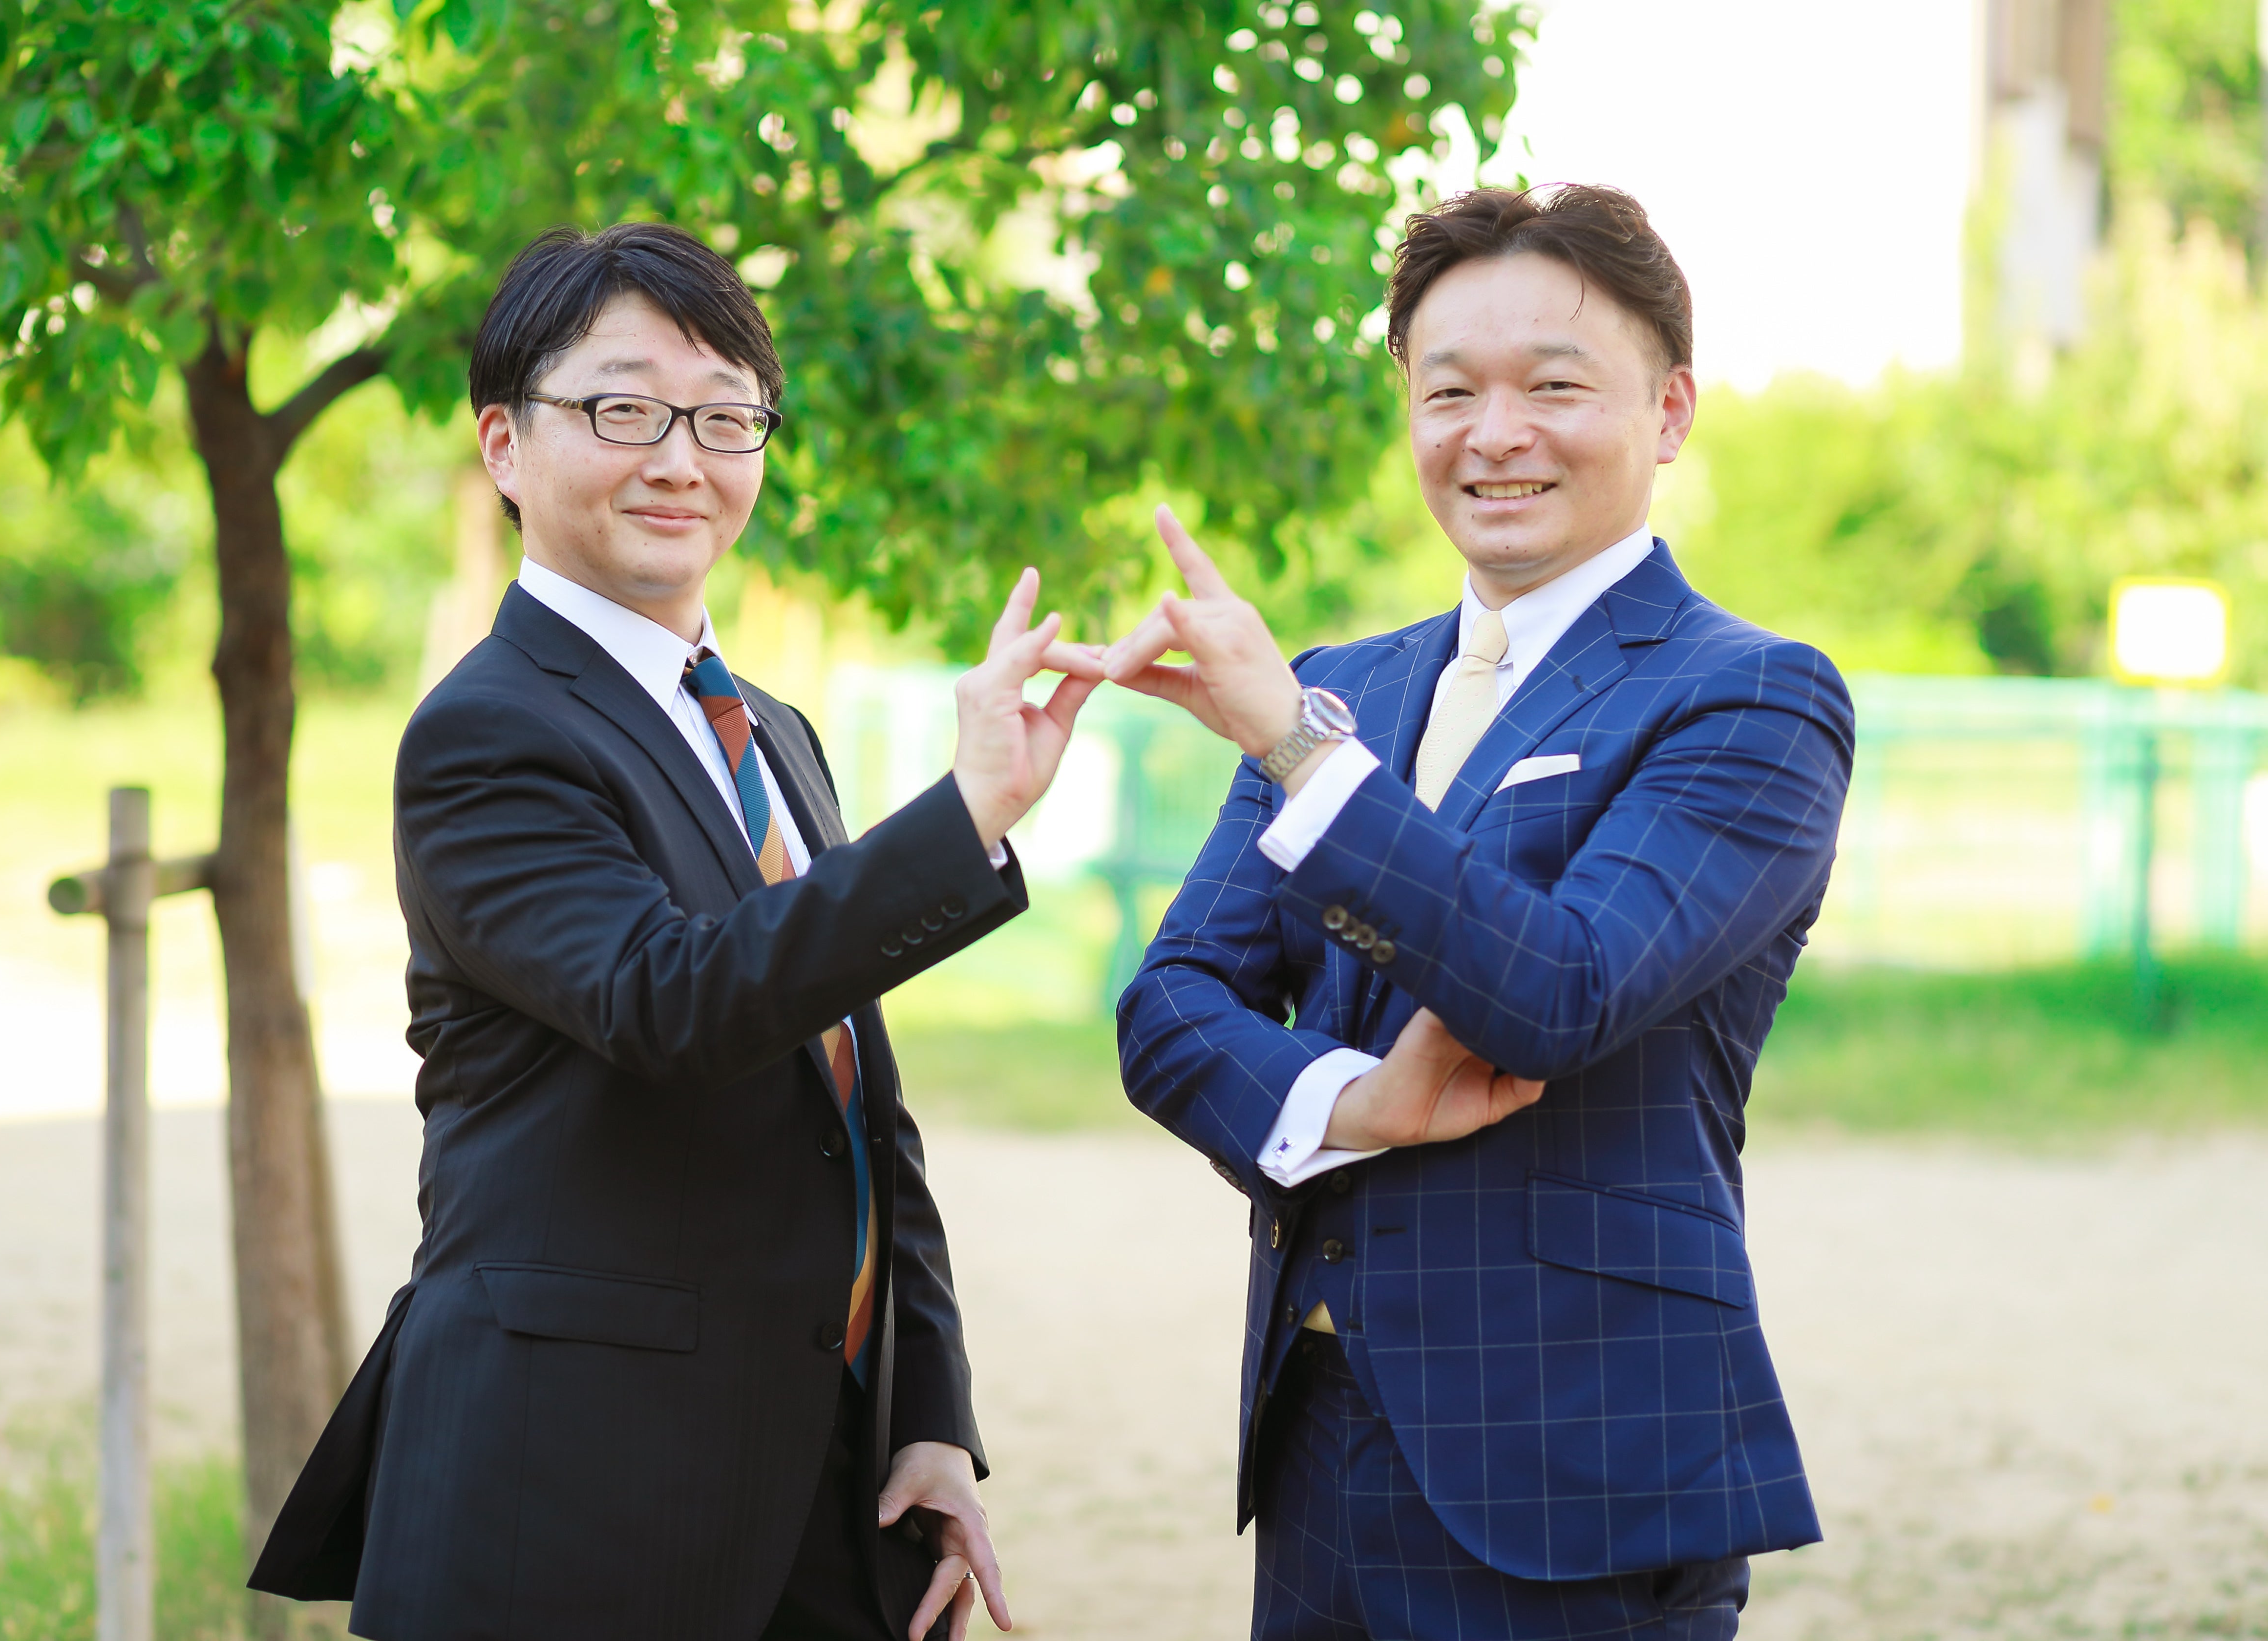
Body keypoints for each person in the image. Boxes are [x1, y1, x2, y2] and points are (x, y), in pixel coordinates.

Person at [248, 221, 1101, 1641]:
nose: (680, 459)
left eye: (725, 416)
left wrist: (928, 1417)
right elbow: (672, 1002)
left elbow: (855, 1105)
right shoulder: (486, 733)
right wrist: (962, 819)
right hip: (572, 1493)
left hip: (823, 1486)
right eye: (625, 410)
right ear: (505, 444)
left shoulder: (773, 730)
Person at [1106, 185, 1852, 1640]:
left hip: (1577, 1463)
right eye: (1449, 392)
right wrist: (1353, 1104)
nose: (1495, 433)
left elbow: (1561, 989)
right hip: (1317, 1437)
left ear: (1670, 411)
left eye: (1554, 387)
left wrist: (1297, 753)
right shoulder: (1346, 686)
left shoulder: (1751, 695)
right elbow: (1170, 1005)